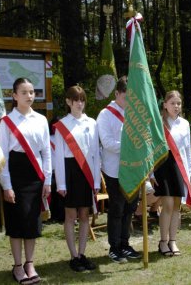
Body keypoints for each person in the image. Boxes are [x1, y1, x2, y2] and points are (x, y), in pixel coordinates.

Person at [0, 78, 52, 284]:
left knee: (32, 222)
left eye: (32, 92)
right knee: (16, 222)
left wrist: (47, 180)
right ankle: (18, 266)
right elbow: (2, 155)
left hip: (35, 176)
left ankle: (30, 263)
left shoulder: (41, 120)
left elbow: (46, 151)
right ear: (14, 96)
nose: (29, 96)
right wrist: (7, 185)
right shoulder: (7, 122)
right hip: (15, 174)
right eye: (24, 92)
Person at [54, 86, 100, 272]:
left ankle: (82, 254)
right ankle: (73, 256)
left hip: (86, 172)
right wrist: (61, 182)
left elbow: (96, 153)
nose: (79, 103)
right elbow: (58, 157)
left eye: (82, 100)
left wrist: (96, 181)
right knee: (70, 216)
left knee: (84, 215)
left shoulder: (92, 123)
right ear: (68, 102)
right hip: (69, 171)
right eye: (76, 100)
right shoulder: (61, 125)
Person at [96, 77, 141, 263]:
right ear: (117, 93)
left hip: (134, 169)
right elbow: (106, 143)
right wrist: (130, 146)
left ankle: (125, 243)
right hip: (115, 170)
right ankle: (114, 247)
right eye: (126, 96)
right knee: (117, 208)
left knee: (130, 207)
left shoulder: (135, 113)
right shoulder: (105, 114)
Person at [154, 90, 191, 256]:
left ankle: (173, 241)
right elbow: (152, 150)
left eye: (179, 103)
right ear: (165, 105)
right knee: (167, 204)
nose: (176, 106)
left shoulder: (185, 124)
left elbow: (187, 150)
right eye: (173, 103)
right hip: (163, 165)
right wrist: (152, 173)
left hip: (179, 166)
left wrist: (188, 172)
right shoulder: (158, 123)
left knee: (176, 205)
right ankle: (162, 242)